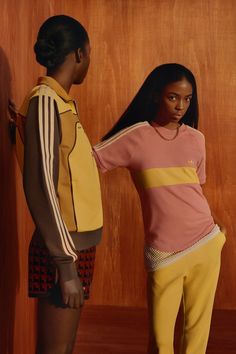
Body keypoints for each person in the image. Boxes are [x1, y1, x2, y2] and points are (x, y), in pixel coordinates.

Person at [93, 63, 226, 354]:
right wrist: (33, 131)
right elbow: (88, 161)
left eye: (187, 99)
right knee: (161, 342)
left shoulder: (196, 139)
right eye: (173, 97)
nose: (181, 106)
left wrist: (218, 234)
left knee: (196, 337)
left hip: (205, 242)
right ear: (156, 95)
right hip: (164, 252)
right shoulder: (136, 136)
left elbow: (193, 190)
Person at [14, 15, 103, 354]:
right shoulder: (46, 101)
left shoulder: (58, 103)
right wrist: (65, 266)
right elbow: (41, 186)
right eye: (90, 55)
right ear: (80, 53)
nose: (89, 62)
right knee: (55, 350)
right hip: (63, 250)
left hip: (73, 247)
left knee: (63, 348)